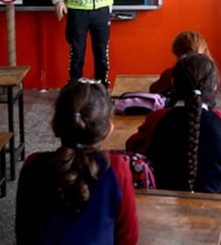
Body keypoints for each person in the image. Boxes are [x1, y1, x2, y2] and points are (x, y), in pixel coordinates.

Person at [15, 79, 138, 245]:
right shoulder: (116, 168)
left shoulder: (32, 165)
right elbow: (127, 238)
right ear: (108, 130)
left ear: (54, 126)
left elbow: (23, 233)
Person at [125, 53, 221, 194]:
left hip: (164, 197)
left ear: (173, 84)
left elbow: (133, 147)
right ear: (214, 87)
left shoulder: (156, 119)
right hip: (215, 196)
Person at [149, 30, 211, 106]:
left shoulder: (171, 73)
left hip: (176, 108)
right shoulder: (211, 72)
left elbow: (154, 90)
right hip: (205, 106)